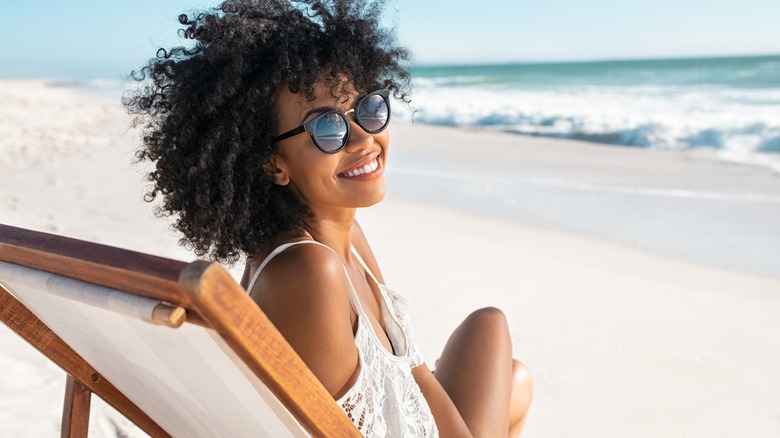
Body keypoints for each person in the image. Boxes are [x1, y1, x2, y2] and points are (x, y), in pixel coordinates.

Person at [124, 0, 532, 436]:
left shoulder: (346, 234)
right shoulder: (307, 270)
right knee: (512, 380)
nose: (362, 138)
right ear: (272, 163)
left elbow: (413, 372)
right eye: (327, 128)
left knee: (499, 343)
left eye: (369, 109)